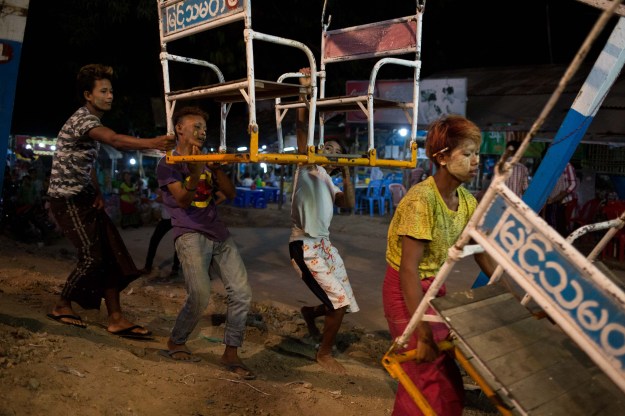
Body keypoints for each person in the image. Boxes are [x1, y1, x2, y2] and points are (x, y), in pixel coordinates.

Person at [46, 63, 184, 337]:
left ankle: (116, 318)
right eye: (104, 91)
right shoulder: (83, 120)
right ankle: (63, 304)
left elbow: (89, 164)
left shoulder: (92, 123)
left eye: (111, 91)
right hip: (68, 200)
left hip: (84, 197)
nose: (110, 96)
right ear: (88, 95)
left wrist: (96, 192)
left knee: (111, 256)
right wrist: (152, 142)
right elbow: (116, 141)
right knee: (91, 258)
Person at [383, 115, 496, 415]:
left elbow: (481, 252)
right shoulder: (422, 201)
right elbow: (408, 271)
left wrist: (517, 290)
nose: (476, 161)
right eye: (468, 154)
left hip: (432, 291)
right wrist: (421, 332)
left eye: (477, 154)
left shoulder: (466, 200)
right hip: (405, 293)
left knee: (447, 382)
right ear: (443, 158)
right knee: (424, 376)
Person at [156, 106, 255, 379]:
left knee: (242, 293)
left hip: (218, 232)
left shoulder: (207, 157)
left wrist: (216, 167)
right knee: (200, 295)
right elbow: (183, 200)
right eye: (196, 126)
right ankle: (176, 340)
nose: (201, 132)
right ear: (179, 129)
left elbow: (230, 192)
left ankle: (231, 353)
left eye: (204, 128)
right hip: (189, 232)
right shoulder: (168, 163)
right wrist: (198, 170)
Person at [289, 67, 359, 375]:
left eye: (337, 152)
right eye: (327, 148)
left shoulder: (330, 181)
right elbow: (302, 131)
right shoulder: (308, 169)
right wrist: (306, 88)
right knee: (339, 303)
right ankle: (324, 354)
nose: (330, 152)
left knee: (344, 300)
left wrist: (345, 171)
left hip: (324, 245)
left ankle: (309, 312)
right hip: (303, 245)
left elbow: (349, 204)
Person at [139, 188, 180, 279]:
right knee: (154, 240)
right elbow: (159, 199)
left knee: (177, 243)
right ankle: (148, 266)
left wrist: (162, 196)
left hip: (176, 218)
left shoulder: (173, 183)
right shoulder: (164, 185)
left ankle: (175, 268)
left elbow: (164, 199)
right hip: (166, 219)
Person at [544, 161, 578, 236]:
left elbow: (573, 184)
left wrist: (560, 196)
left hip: (561, 200)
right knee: (555, 223)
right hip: (554, 199)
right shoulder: (552, 165)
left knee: (556, 225)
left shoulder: (566, 165)